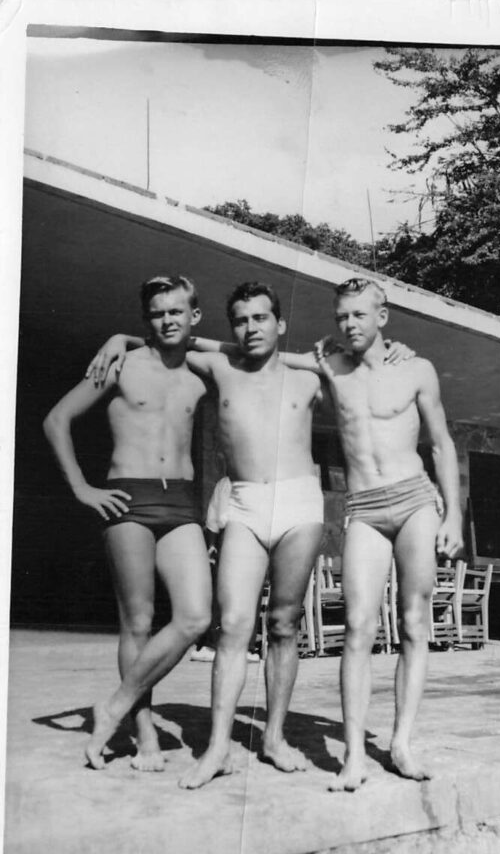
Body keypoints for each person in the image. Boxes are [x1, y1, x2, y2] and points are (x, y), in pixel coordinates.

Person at [87, 280, 416, 790]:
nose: (250, 329)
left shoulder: (312, 369)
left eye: (260, 319)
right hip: (243, 502)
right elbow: (170, 339)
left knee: (284, 623)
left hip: (299, 502)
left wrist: (394, 350)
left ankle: (274, 737)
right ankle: (218, 746)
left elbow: (366, 363)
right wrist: (119, 338)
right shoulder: (220, 365)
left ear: (279, 324)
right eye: (240, 320)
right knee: (234, 623)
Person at [43, 274, 212, 772]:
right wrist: (80, 488)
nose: (168, 320)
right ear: (147, 319)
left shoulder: (203, 368)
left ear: (193, 315)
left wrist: (125, 333)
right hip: (128, 500)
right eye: (157, 314)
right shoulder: (120, 364)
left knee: (195, 615)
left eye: (177, 311)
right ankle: (145, 737)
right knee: (137, 620)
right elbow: (56, 420)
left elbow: (252, 350)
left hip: (181, 502)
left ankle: (113, 706)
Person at [313, 278, 463, 789]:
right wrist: (134, 342)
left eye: (358, 314)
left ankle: (400, 743)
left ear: (383, 316)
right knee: (358, 624)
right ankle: (354, 756)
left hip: (415, 501)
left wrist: (454, 517)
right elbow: (254, 354)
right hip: (364, 509)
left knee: (415, 623)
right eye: (341, 317)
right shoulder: (330, 367)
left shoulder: (417, 369)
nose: (349, 324)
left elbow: (441, 444)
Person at [190, 476, 260, 663]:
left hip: (252, 537)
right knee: (220, 593)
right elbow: (213, 518)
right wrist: (211, 547)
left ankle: (247, 646)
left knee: (250, 593)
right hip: (225, 537)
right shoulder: (223, 484)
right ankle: (211, 645)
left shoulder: (258, 481)